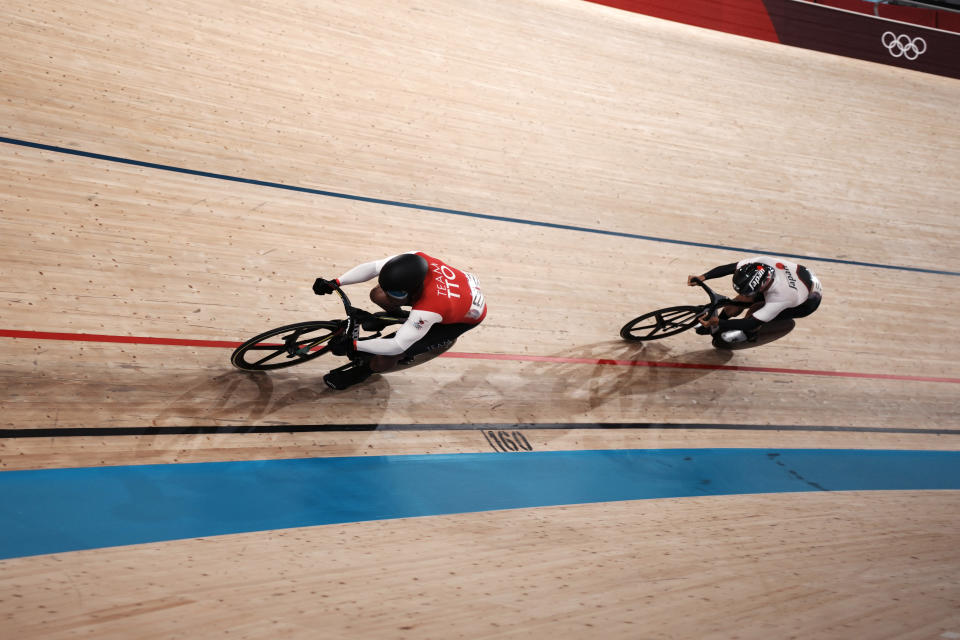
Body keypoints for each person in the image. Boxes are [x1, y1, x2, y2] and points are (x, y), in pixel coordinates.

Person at [312, 251, 487, 389]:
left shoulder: (430, 308)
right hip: (455, 291)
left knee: (389, 354)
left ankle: (362, 372)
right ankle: (403, 318)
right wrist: (336, 282)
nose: (389, 294)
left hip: (462, 317)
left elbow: (396, 344)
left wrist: (354, 345)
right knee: (378, 294)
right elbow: (373, 268)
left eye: (396, 293)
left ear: (412, 292)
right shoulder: (415, 258)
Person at [687, 255, 822, 347]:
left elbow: (752, 322)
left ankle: (750, 335)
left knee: (754, 311)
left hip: (806, 302)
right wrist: (703, 277)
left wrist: (720, 322)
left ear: (762, 286)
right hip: (799, 278)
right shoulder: (761, 263)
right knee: (740, 300)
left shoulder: (783, 296)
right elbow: (730, 268)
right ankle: (714, 327)